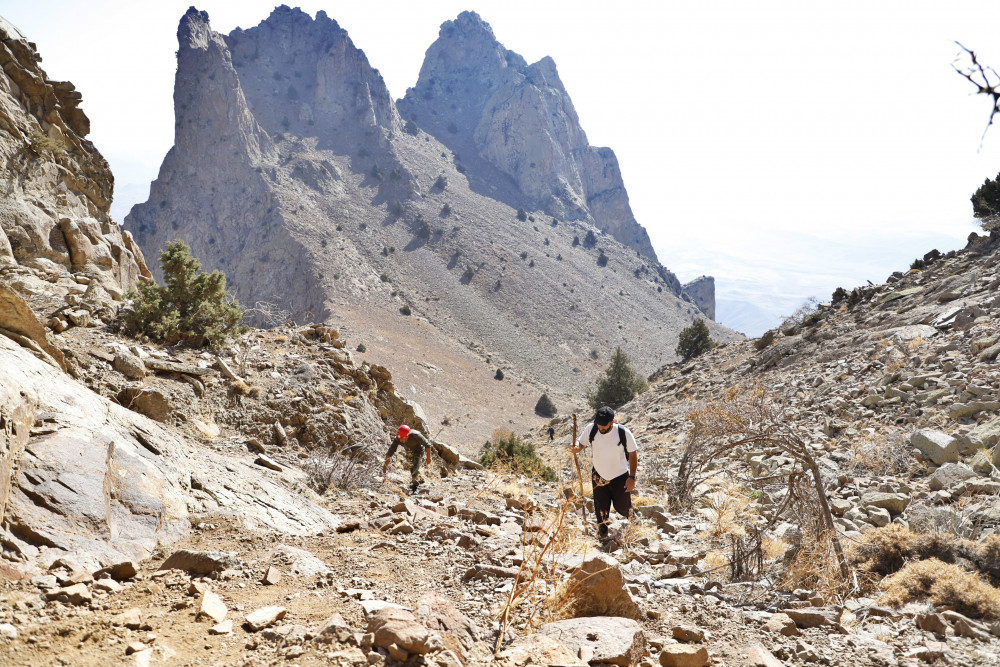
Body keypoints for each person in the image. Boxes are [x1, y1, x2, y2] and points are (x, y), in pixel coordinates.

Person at [569, 406, 638, 543]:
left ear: (612, 422)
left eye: (604, 424)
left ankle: (635, 522)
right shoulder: (592, 428)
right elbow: (581, 443)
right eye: (598, 423)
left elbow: (633, 454)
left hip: (620, 475)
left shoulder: (623, 433)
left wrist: (632, 478)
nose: (600, 427)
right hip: (598, 474)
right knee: (601, 507)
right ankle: (602, 533)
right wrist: (576, 447)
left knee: (622, 506)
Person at [383, 424, 433, 491]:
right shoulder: (399, 437)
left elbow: (428, 445)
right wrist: (384, 469)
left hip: (418, 451)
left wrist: (428, 458)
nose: (400, 441)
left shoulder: (416, 435)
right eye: (400, 439)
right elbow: (390, 452)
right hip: (409, 451)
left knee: (414, 467)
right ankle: (420, 479)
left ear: (407, 436)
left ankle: (415, 487)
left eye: (402, 439)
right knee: (411, 466)